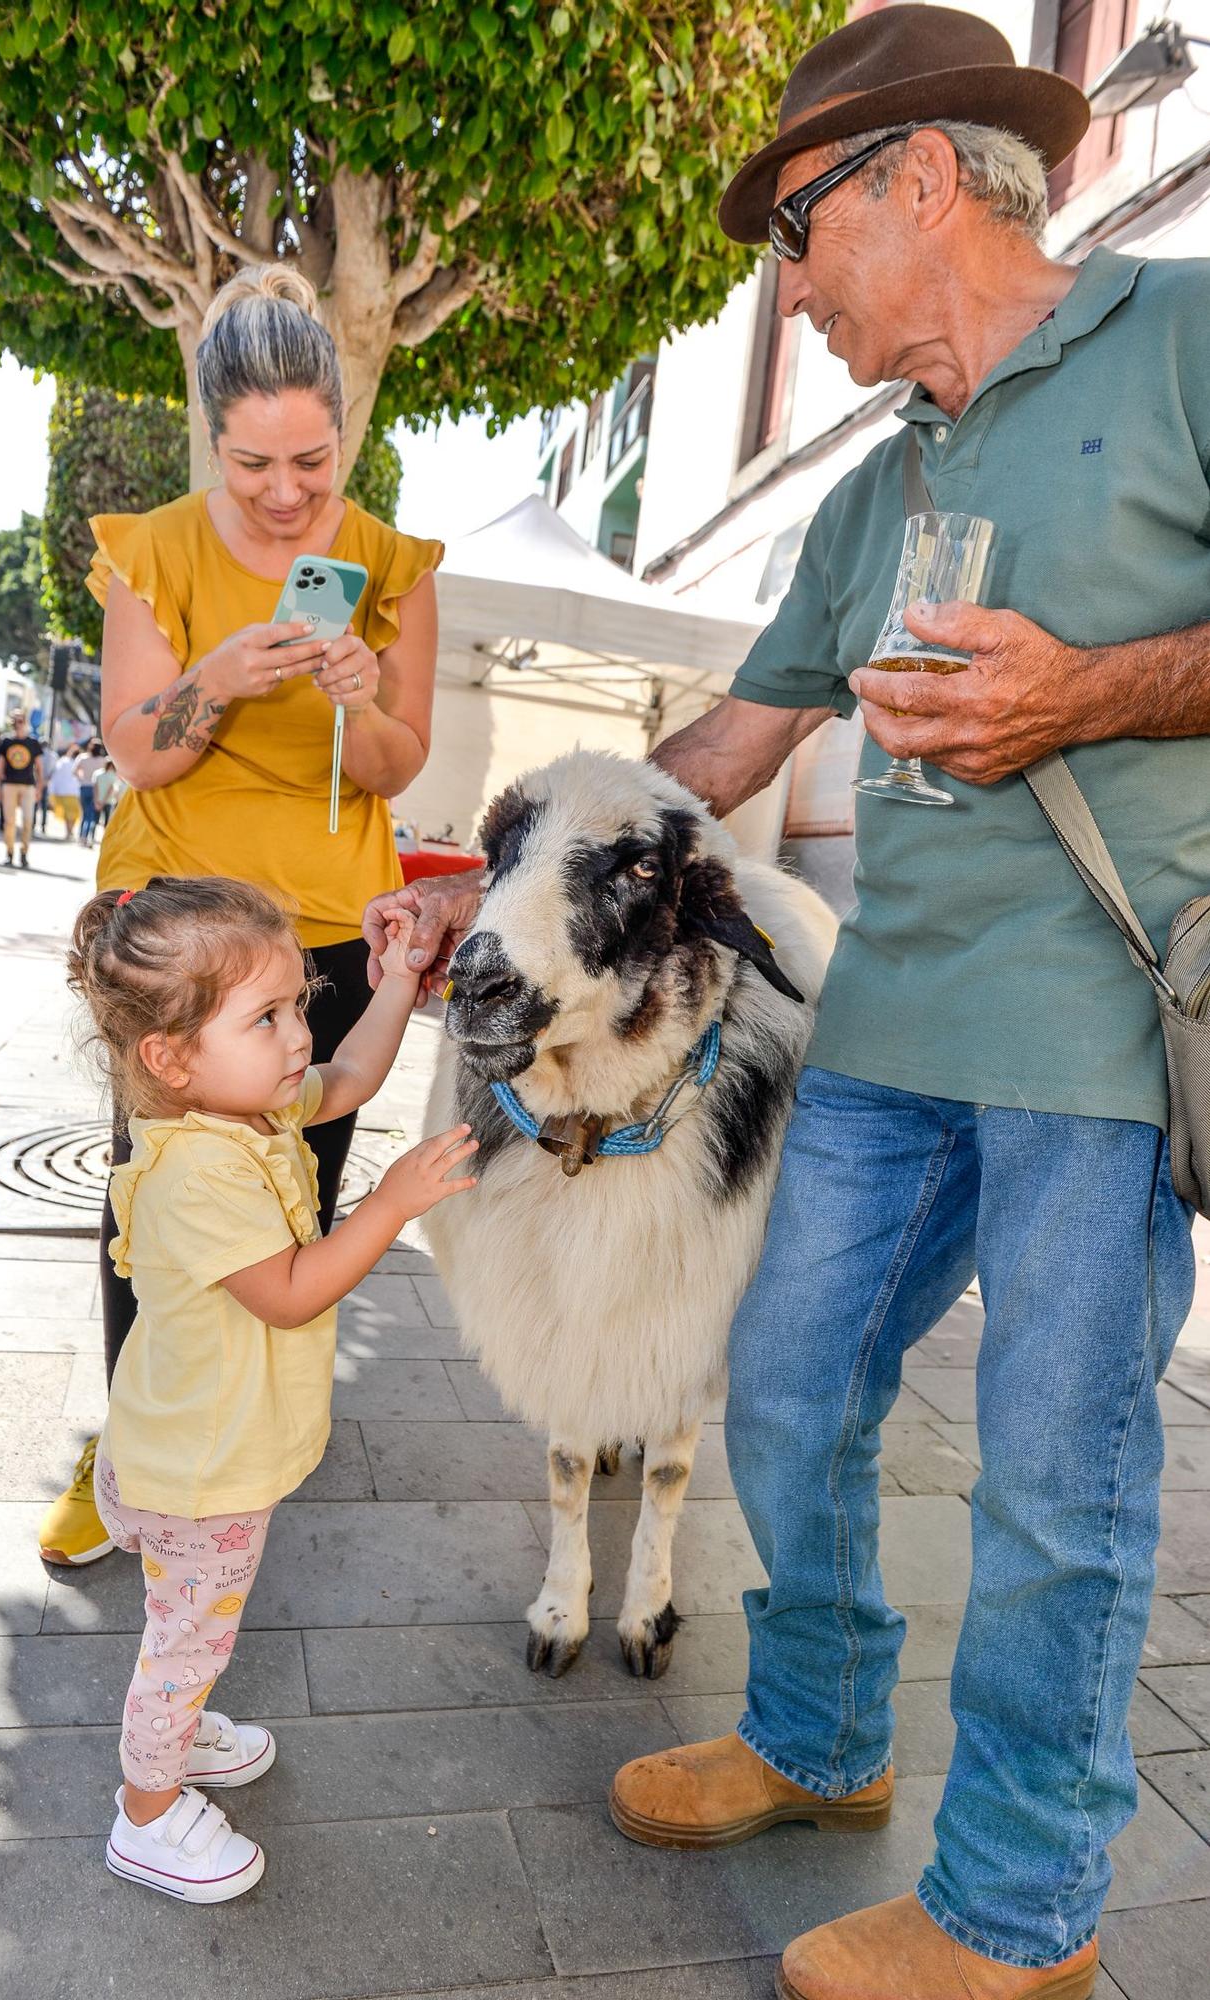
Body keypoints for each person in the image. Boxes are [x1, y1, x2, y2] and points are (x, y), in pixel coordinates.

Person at [363, 13, 1210, 1997]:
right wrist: (509, 892)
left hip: (1100, 1048)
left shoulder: (1177, 343)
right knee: (781, 1388)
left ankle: (1014, 1919)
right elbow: (719, 756)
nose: (791, 288)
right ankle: (817, 1743)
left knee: (1049, 1478)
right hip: (879, 1039)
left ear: (919, 181)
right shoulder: (860, 496)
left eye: (800, 235)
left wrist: (1089, 690)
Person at [36, 262, 443, 1569]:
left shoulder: (386, 567)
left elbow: (396, 768)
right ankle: (126, 1454)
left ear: (343, 433)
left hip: (321, 926)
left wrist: (356, 698)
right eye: (252, 463)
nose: (282, 494)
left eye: (311, 463)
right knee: (152, 1212)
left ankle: (244, 1451)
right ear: (208, 436)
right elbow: (141, 754)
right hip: (175, 930)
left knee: (289, 1202)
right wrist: (208, 680)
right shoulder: (152, 552)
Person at [66, 874, 475, 1899]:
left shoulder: (237, 1109)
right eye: (267, 1014)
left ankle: (180, 1722)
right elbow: (290, 1293)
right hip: (199, 1471)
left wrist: (399, 980)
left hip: (180, 1440)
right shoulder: (198, 1170)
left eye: (297, 1002)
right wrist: (387, 1202)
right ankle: (146, 1811)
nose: (298, 1033)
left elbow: (349, 1078)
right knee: (181, 1636)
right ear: (168, 1055)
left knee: (187, 1625)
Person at [0, 713, 43, 868]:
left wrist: (40, 787)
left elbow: (39, 767)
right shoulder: (6, 741)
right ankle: (9, 852)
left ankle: (24, 852)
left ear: (25, 722)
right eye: (15, 721)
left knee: (28, 820)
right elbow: (0, 764)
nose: (18, 724)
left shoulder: (33, 742)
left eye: (21, 721)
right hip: (9, 784)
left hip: (28, 785)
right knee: (9, 821)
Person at [48, 743, 83, 839]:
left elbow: (55, 777)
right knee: (73, 814)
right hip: (73, 792)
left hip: (63, 791)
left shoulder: (63, 762)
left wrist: (52, 790)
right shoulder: (75, 763)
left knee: (68, 814)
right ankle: (69, 831)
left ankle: (69, 831)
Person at [76, 737, 106, 846]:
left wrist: (81, 778)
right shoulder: (102, 761)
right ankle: (89, 837)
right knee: (92, 815)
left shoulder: (82, 758)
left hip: (84, 787)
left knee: (85, 814)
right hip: (96, 789)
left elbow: (74, 771)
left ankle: (81, 836)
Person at [93, 758, 122, 829]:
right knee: (107, 821)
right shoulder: (114, 776)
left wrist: (96, 800)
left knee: (94, 820)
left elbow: (95, 788)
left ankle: (91, 836)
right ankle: (104, 837)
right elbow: (112, 790)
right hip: (109, 801)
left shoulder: (98, 774)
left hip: (98, 801)